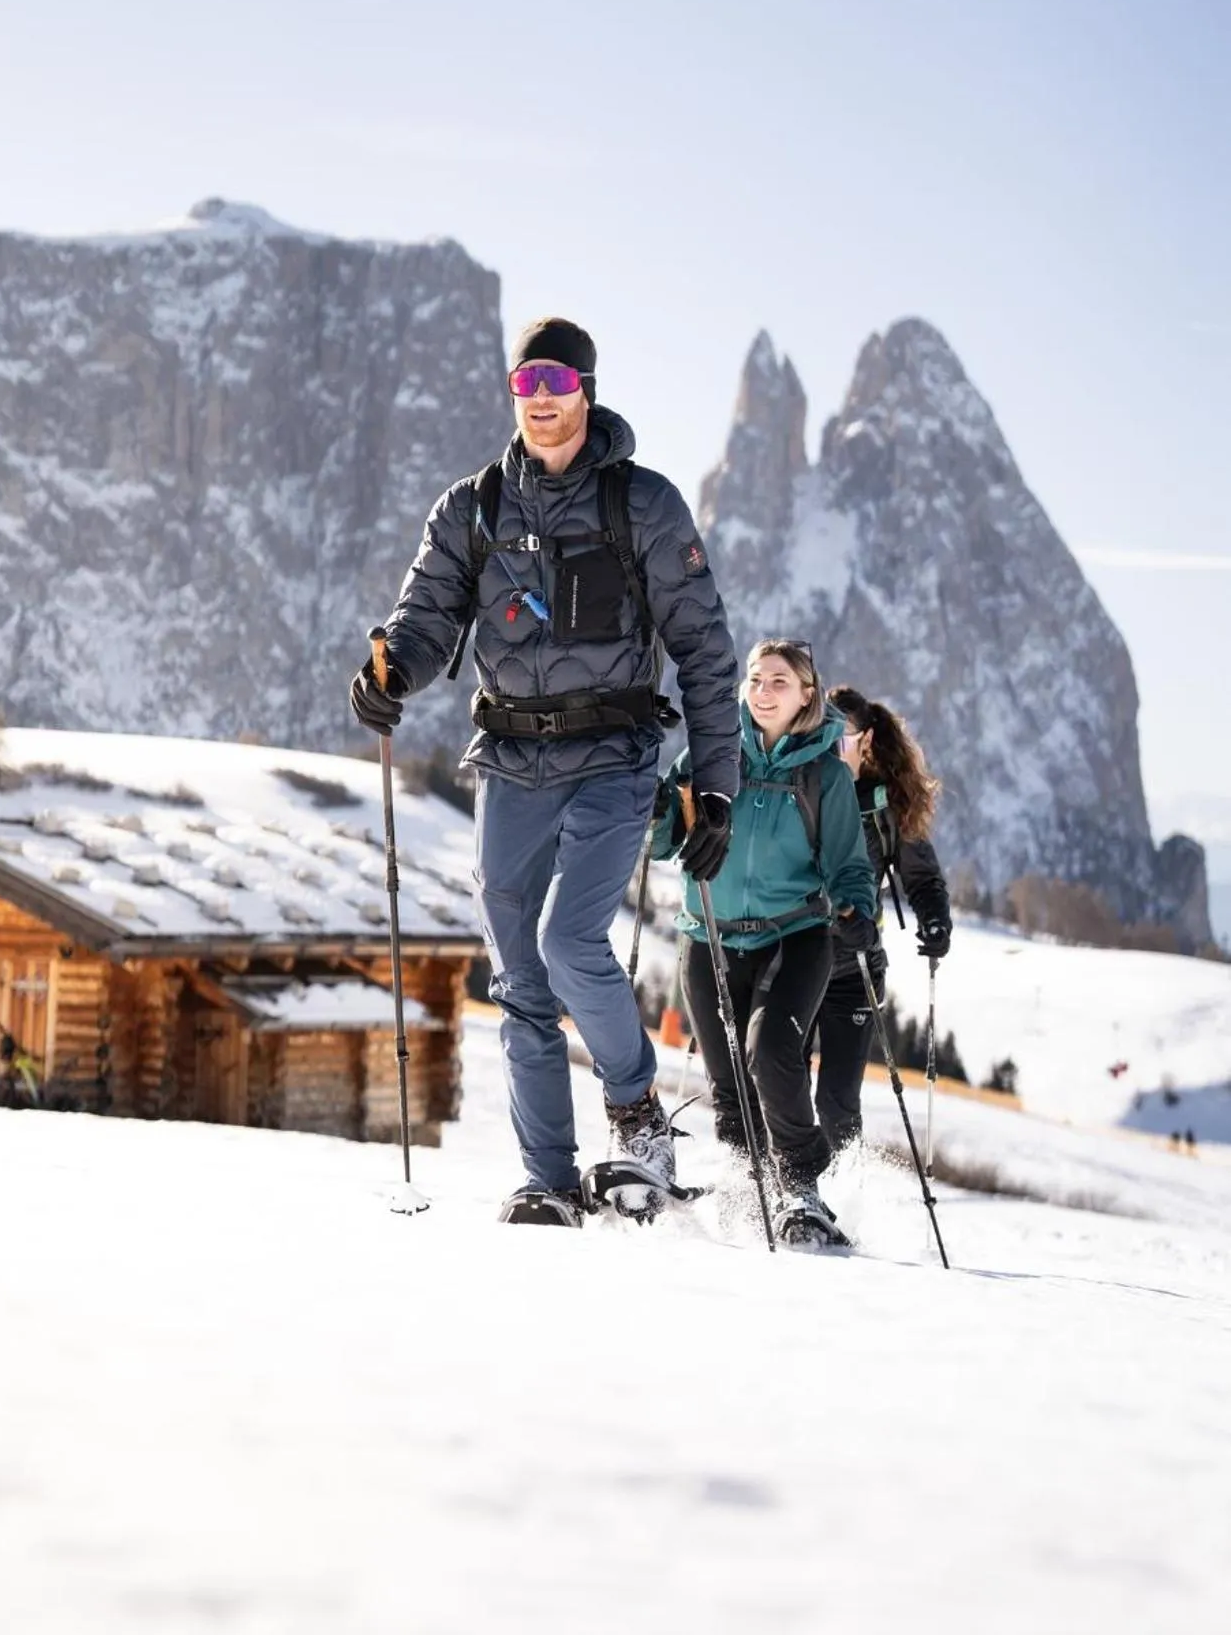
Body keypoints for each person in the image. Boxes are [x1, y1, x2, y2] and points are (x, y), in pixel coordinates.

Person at [349, 316, 740, 1226]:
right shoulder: (471, 509)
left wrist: (713, 782)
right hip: (512, 761)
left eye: (559, 384)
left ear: (588, 391)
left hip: (613, 755)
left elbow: (704, 650)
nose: (544, 402)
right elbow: (425, 616)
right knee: (518, 975)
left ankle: (636, 1111)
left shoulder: (642, 505)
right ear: (513, 395)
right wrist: (390, 673)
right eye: (528, 385)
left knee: (571, 942)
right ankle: (549, 1180)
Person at [653, 638, 877, 1244]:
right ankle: (746, 1191)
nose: (763, 691)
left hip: (794, 936)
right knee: (729, 1085)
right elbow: (659, 839)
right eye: (755, 680)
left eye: (779, 681)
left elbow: (848, 864)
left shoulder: (823, 774)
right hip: (708, 937)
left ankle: (800, 1186)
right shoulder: (711, 755)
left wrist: (858, 908)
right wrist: (653, 807)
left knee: (771, 1050)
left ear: (808, 694)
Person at [812, 684, 952, 1155]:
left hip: (855, 969)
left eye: (843, 738)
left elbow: (923, 878)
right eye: (822, 735)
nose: (832, 748)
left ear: (867, 741)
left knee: (836, 1103)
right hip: (791, 962)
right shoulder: (796, 786)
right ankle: (784, 1192)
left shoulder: (885, 808)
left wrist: (936, 921)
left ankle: (840, 1196)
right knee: (775, 1086)